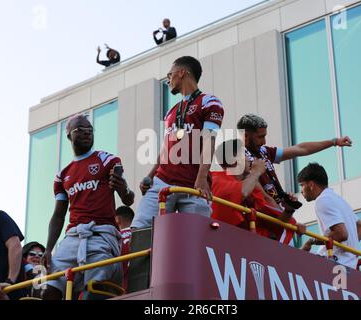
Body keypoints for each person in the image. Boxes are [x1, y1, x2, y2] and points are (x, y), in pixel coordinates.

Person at [41, 114, 134, 300]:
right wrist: (49, 248)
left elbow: (128, 199)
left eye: (90, 130)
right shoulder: (62, 175)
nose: (86, 133)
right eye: (80, 130)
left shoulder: (107, 160)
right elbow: (58, 215)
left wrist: (123, 188)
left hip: (100, 234)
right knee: (49, 288)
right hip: (72, 236)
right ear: (69, 136)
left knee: (93, 290)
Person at [131, 56, 224, 229]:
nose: (168, 80)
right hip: (162, 181)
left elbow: (209, 140)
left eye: (170, 74)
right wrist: (150, 176)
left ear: (182, 73)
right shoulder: (170, 112)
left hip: (194, 185)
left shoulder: (209, 102)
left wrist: (202, 177)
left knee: (197, 236)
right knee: (141, 229)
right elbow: (166, 148)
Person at [237, 114, 353, 209]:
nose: (264, 141)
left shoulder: (264, 151)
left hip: (277, 215)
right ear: (246, 135)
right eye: (260, 137)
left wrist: (334, 142)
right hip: (260, 218)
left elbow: (301, 149)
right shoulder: (234, 154)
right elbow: (242, 190)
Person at [211, 140, 305, 245]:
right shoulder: (215, 179)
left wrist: (288, 209)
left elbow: (276, 223)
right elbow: (242, 192)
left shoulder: (252, 187)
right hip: (224, 244)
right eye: (245, 155)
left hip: (250, 249)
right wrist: (256, 172)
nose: (249, 159)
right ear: (234, 160)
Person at [298, 163, 361, 268]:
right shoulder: (338, 199)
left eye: (302, 185)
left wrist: (312, 241)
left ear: (311, 185)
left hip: (336, 266)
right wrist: (349, 252)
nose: (301, 190)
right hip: (349, 265)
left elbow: (342, 233)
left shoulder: (322, 201)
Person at [115, 206, 134, 291]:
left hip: (122, 290)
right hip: (145, 285)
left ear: (117, 219)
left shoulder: (115, 238)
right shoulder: (142, 233)